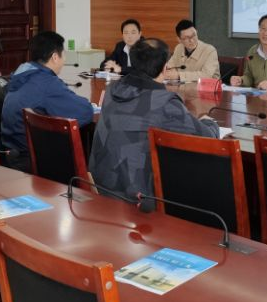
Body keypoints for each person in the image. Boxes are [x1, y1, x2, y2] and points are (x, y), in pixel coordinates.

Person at [89, 38, 219, 202]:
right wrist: (209, 122)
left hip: (99, 186)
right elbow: (207, 137)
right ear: (165, 68)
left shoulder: (112, 88)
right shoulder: (163, 101)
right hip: (136, 197)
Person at [1, 31, 94, 171]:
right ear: (55, 57)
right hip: (34, 160)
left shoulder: (20, 74)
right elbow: (85, 111)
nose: (64, 60)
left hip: (10, 154)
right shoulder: (47, 83)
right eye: (64, 55)